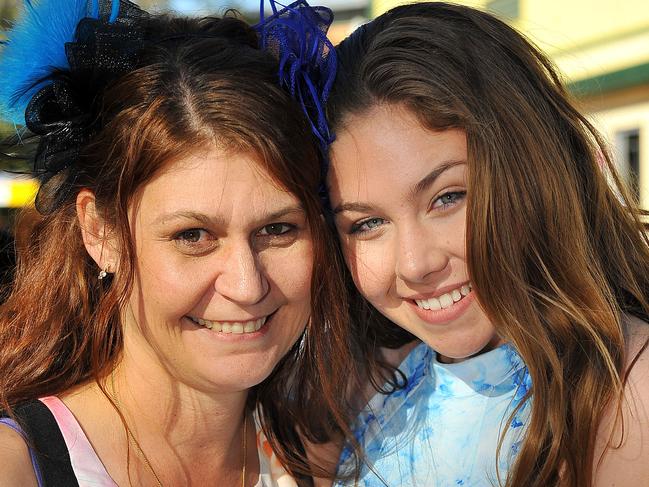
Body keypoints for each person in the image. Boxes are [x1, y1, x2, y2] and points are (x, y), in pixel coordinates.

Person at [0, 0, 354, 485]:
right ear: (100, 234)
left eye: (278, 229)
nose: (247, 286)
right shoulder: (17, 467)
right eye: (193, 235)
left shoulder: (333, 457)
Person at [324, 2, 649, 486]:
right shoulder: (377, 389)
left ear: (536, 169)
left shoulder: (626, 395)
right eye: (367, 223)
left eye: (448, 197)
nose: (415, 264)